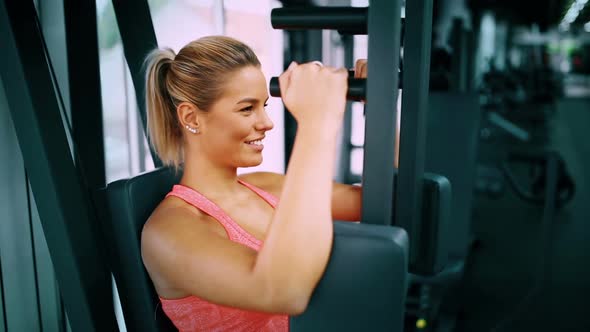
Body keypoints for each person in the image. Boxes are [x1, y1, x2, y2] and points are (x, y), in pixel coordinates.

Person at [141, 35, 366, 332]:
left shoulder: (266, 187)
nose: (266, 122)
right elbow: (283, 292)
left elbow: (385, 200)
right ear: (191, 117)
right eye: (247, 109)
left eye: (264, 106)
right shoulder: (168, 232)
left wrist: (379, 107)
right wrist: (316, 122)